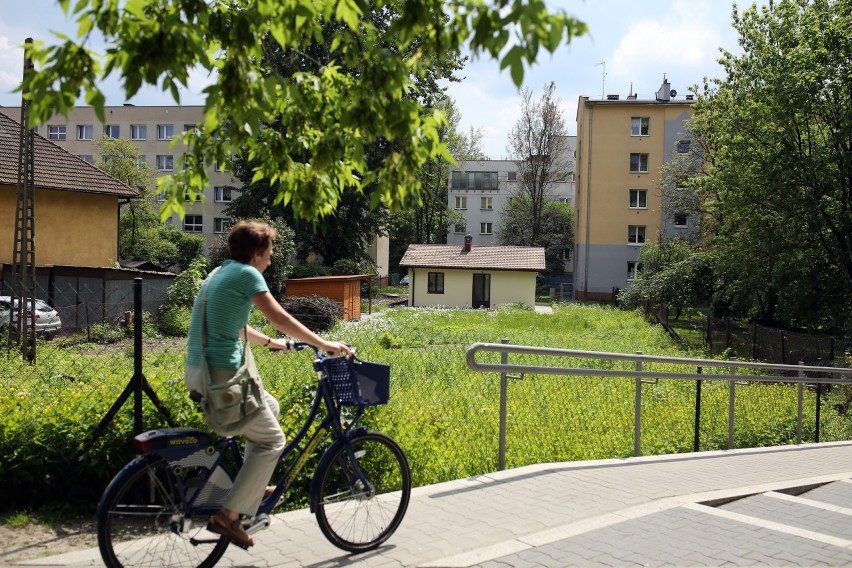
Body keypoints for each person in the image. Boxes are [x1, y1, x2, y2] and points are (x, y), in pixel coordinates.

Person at [184, 220, 351, 548]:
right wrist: (325, 344)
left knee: (269, 406)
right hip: (222, 378)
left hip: (200, 370)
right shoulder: (248, 275)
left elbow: (235, 326)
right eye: (269, 252)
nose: (271, 259)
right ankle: (228, 516)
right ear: (257, 252)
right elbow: (281, 317)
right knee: (272, 441)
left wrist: (271, 343)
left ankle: (253, 484)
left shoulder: (219, 273)